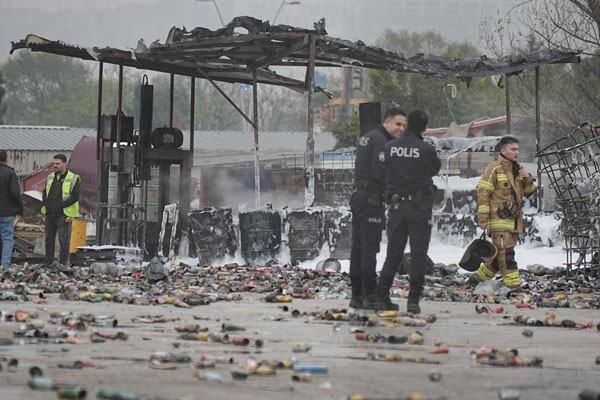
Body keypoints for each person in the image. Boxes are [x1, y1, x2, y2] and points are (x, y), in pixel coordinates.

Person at [374, 110, 441, 313]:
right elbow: (434, 169)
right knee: (418, 256)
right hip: (419, 208)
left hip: (396, 208)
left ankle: (381, 297)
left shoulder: (390, 147)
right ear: (424, 128)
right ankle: (413, 301)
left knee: (393, 255)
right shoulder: (427, 149)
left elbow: (382, 171)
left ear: (407, 124)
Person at [349, 107, 407, 309]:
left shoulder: (368, 137)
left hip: (359, 198)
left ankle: (357, 295)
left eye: (404, 126)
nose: (401, 129)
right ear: (387, 122)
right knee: (369, 250)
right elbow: (380, 172)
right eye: (398, 124)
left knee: (357, 249)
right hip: (371, 201)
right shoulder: (381, 141)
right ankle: (371, 296)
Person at [471, 136, 535, 292]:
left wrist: (527, 178)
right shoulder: (494, 168)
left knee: (497, 258)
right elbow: (483, 192)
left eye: (517, 149)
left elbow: (529, 192)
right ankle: (514, 288)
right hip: (499, 221)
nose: (516, 152)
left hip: (513, 222)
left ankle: (475, 280)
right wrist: (483, 218)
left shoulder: (518, 170)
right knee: (506, 255)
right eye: (513, 149)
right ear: (503, 150)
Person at [41, 154, 81, 267]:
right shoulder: (50, 177)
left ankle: (63, 263)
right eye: (54, 163)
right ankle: (48, 263)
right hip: (50, 214)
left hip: (63, 214)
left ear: (64, 164)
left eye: (57, 164)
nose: (55, 166)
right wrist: (45, 203)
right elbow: (45, 192)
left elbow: (75, 196)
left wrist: (61, 206)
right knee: (49, 240)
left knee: (63, 241)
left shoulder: (73, 178)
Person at [0, 150, 24, 268]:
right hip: (6, 212)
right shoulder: (10, 173)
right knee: (7, 238)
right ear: (6, 159)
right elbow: (15, 193)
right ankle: (4, 265)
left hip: (6, 211)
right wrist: (19, 208)